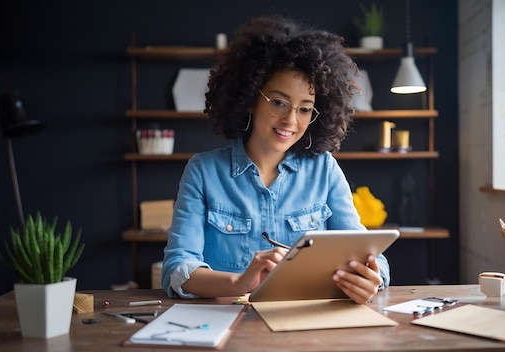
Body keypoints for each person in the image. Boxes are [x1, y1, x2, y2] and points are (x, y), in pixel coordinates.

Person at [161, 15, 390, 305]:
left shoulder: (325, 169)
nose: (290, 120)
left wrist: (372, 278)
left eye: (305, 109)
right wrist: (239, 283)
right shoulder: (203, 171)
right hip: (229, 328)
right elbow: (178, 269)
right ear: (249, 99)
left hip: (307, 327)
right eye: (279, 102)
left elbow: (370, 256)